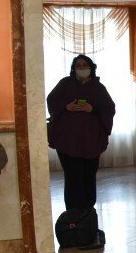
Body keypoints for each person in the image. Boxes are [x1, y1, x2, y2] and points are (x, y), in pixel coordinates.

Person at [47, 54, 115, 211]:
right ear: (73, 68)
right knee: (72, 177)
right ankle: (72, 214)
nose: (82, 68)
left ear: (91, 68)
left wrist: (93, 109)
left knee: (88, 176)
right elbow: (51, 100)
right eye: (79, 65)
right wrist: (66, 107)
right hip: (67, 142)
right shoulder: (65, 84)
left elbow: (109, 108)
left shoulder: (98, 88)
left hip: (92, 141)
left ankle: (88, 212)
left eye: (85, 65)